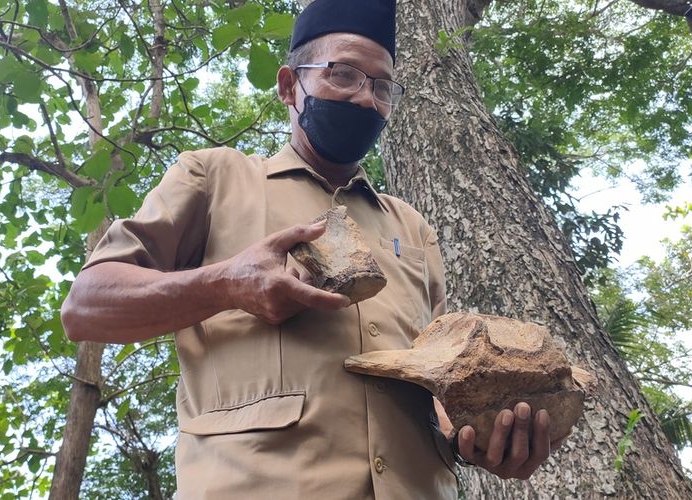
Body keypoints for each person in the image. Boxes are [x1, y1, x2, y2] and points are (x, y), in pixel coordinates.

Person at [62, 0, 559, 497]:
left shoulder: (413, 228)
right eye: (343, 75)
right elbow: (86, 306)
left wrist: (481, 438)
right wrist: (226, 284)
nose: (366, 99)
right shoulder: (214, 177)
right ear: (288, 85)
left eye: (382, 87)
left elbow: (440, 391)